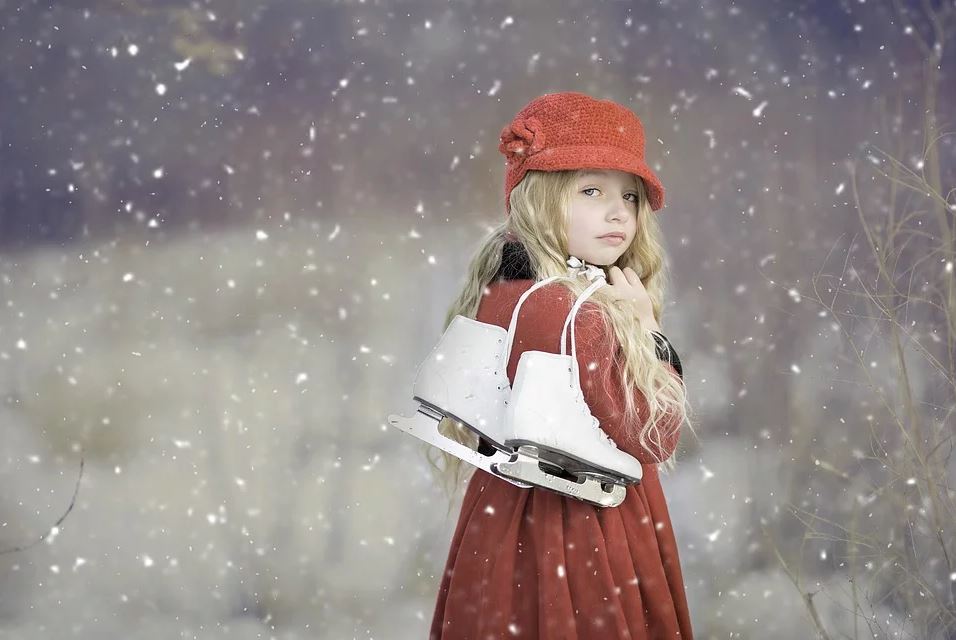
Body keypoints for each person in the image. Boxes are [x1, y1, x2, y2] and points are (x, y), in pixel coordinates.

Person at [427, 91, 696, 639]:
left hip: (503, 527)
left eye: (630, 195)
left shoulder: (504, 286)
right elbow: (651, 438)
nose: (618, 211)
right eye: (591, 190)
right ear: (541, 198)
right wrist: (651, 338)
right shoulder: (574, 311)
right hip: (582, 538)